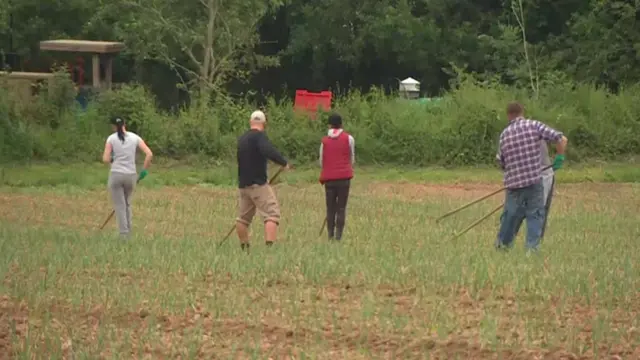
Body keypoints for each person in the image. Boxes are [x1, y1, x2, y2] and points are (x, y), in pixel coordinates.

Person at [495, 102, 568, 253]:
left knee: (510, 217)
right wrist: (559, 157)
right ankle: (532, 250)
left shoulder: (504, 134)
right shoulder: (534, 125)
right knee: (535, 215)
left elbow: (501, 162)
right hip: (535, 181)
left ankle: (502, 246)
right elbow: (560, 138)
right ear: (523, 112)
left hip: (513, 184)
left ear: (508, 115)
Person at [235, 110, 291, 251]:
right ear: (264, 123)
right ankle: (269, 249)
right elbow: (268, 150)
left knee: (243, 219)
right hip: (258, 184)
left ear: (250, 122)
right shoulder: (260, 137)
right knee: (272, 213)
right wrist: (283, 163)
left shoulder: (242, 139)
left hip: (243, 185)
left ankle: (245, 247)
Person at [102, 116, 153, 238]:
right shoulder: (135, 137)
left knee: (120, 205)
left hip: (116, 174)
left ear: (113, 126)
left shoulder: (111, 139)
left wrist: (113, 159)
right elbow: (149, 154)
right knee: (127, 204)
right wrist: (143, 172)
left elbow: (105, 159)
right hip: (131, 175)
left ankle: (124, 235)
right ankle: (128, 231)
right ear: (125, 124)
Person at [319, 113, 355, 241]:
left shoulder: (324, 141)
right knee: (341, 208)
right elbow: (352, 158)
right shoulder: (349, 138)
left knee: (330, 208)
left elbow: (321, 161)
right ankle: (338, 236)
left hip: (329, 179)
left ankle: (330, 236)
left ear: (329, 125)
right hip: (344, 178)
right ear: (341, 124)